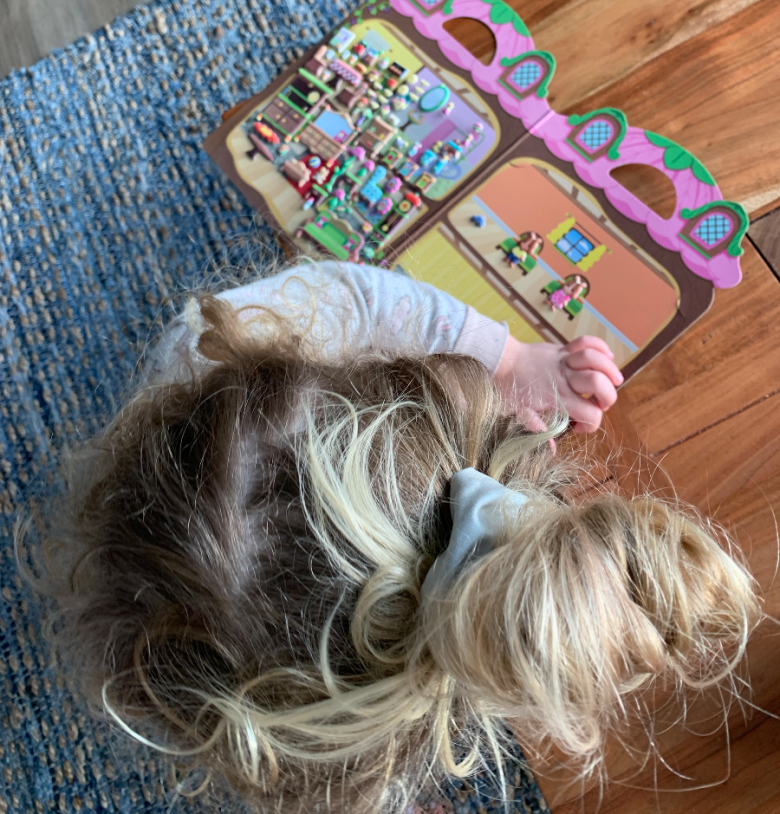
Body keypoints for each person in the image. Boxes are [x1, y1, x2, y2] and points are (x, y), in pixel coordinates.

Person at [39, 260, 760, 814]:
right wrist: (505, 359)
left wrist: (510, 360)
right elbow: (358, 298)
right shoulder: (227, 346)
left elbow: (354, 298)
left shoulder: (199, 349)